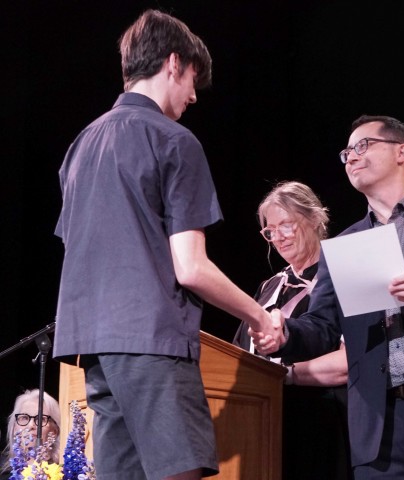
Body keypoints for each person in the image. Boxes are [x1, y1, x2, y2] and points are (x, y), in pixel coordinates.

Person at [53, 9, 276, 480]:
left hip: (93, 345)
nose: (194, 95)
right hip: (151, 340)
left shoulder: (79, 146)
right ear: (174, 63)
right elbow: (190, 267)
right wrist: (257, 315)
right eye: (193, 78)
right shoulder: (174, 141)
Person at [252, 115, 404, 479]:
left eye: (363, 146)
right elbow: (322, 327)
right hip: (378, 427)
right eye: (346, 153)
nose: (352, 158)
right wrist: (285, 334)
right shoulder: (343, 245)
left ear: (401, 151)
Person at [233, 181, 352, 480]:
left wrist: (278, 376)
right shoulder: (270, 285)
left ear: (314, 218)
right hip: (264, 422)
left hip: (324, 424)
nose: (278, 238)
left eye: (286, 225)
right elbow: (236, 354)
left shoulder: (345, 269)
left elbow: (352, 362)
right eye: (270, 231)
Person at [1, 389, 61, 476]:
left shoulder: (63, 474)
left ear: (54, 431)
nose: (30, 425)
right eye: (24, 417)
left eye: (40, 419)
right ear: (14, 429)